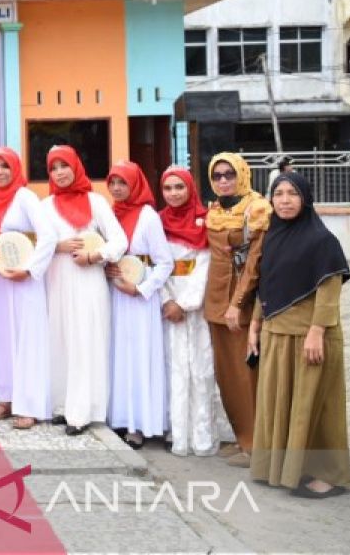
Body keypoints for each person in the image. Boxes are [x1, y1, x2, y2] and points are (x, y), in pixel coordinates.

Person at [248, 173, 350, 497]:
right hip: (277, 335)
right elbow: (265, 285)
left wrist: (317, 331)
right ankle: (282, 468)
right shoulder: (274, 237)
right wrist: (254, 326)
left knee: (318, 408)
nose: (284, 200)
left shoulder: (322, 240)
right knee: (279, 408)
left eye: (292, 193)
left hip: (309, 337)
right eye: (278, 193)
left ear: (305, 198)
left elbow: (328, 287)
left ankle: (330, 475)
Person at [40, 145, 127, 436]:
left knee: (86, 340)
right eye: (54, 168)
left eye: (64, 165)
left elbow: (119, 240)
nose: (60, 173)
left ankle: (85, 410)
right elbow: (38, 246)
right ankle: (64, 405)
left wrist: (95, 256)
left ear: (76, 166)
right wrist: (57, 246)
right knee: (61, 339)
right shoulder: (45, 206)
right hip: (58, 280)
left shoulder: (96, 201)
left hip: (88, 281)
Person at [0, 146, 56, 430]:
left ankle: (28, 404)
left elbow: (48, 236)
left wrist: (30, 269)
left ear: (15, 168)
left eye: (6, 166)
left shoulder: (26, 198)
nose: (0, 172)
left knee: (26, 337)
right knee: (1, 336)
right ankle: (5, 397)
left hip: (23, 279)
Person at [204, 153, 270, 468]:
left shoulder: (256, 208)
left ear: (242, 173)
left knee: (246, 376)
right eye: (217, 175)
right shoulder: (216, 208)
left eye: (229, 174)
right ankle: (242, 437)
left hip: (238, 306)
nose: (223, 180)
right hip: (214, 302)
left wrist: (237, 304)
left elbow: (254, 264)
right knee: (227, 375)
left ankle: (258, 446)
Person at [104, 161, 173, 449]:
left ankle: (142, 425)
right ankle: (121, 419)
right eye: (113, 183)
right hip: (117, 296)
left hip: (141, 301)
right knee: (119, 357)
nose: (118, 189)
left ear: (136, 185)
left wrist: (142, 288)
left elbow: (165, 262)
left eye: (124, 183)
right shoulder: (109, 214)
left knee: (141, 358)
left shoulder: (147, 216)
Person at [157, 166, 224, 457]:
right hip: (166, 307)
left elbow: (205, 266)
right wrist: (166, 300)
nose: (174, 194)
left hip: (194, 310)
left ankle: (202, 437)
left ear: (190, 188)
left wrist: (183, 303)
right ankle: (177, 434)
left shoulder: (205, 221)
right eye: (168, 188)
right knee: (173, 370)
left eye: (179, 187)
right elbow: (152, 265)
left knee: (201, 369)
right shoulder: (156, 222)